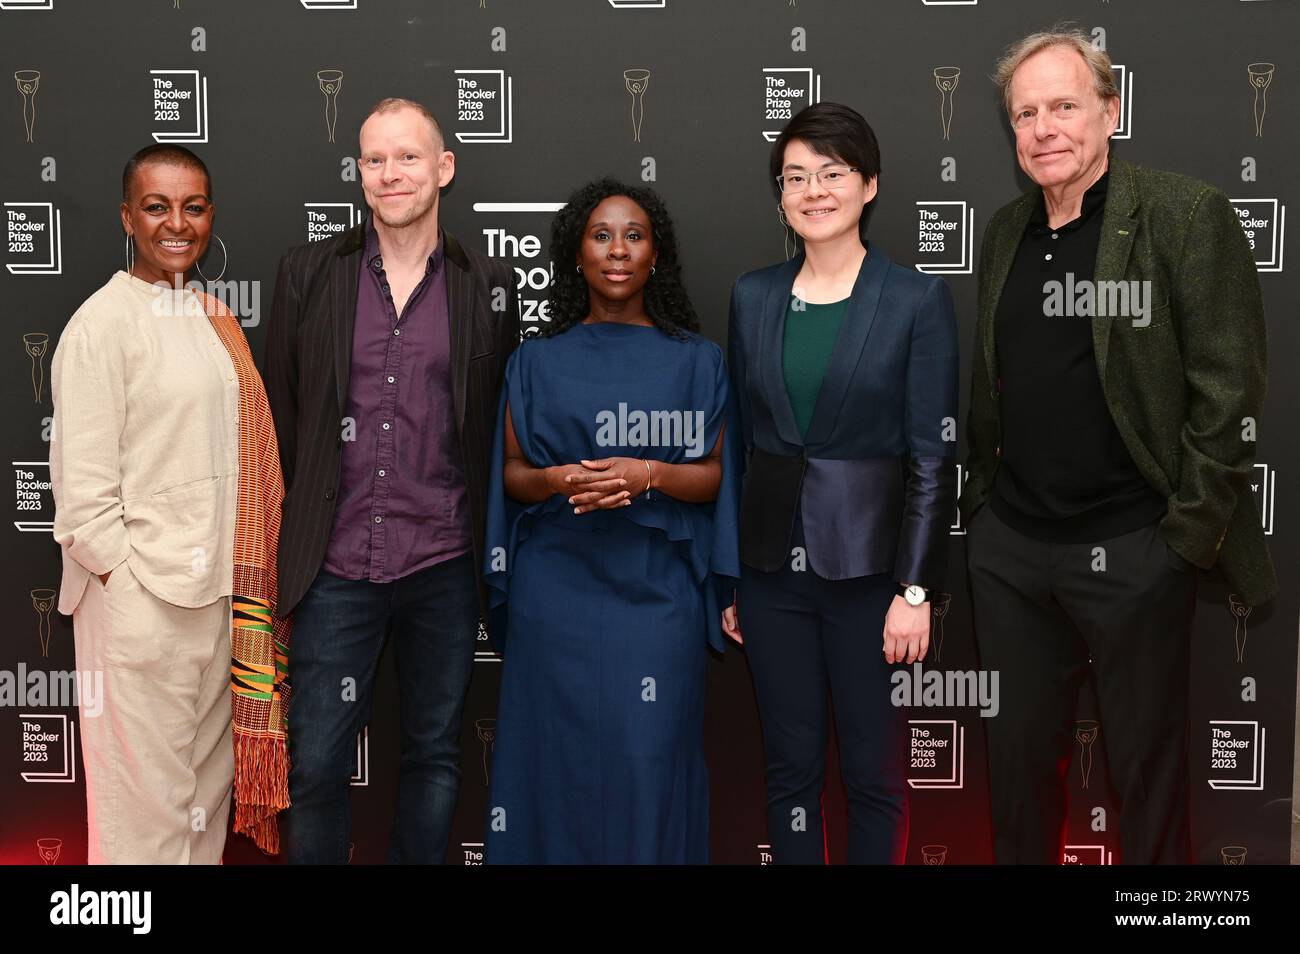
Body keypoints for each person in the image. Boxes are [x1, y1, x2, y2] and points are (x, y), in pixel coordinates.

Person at [960, 29, 1274, 864]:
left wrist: (1182, 540)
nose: (1043, 128)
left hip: (1135, 547)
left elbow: (1228, 389)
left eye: (1064, 106)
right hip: (1014, 553)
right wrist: (981, 517)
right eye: (1025, 114)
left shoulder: (1181, 215)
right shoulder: (1003, 232)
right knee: (1017, 773)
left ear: (1110, 109)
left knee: (1148, 773)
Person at [264, 98, 520, 864]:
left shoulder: (486, 284)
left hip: (443, 562)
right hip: (334, 563)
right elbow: (280, 415)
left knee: (435, 757)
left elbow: (493, 423)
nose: (389, 173)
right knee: (313, 765)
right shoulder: (309, 272)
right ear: (359, 174)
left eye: (407, 157)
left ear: (443, 168)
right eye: (374, 159)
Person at [722, 102, 959, 864]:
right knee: (789, 772)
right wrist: (729, 578)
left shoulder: (915, 299)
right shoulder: (753, 296)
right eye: (795, 177)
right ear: (780, 195)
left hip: (870, 580)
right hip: (768, 577)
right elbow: (740, 447)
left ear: (869, 185)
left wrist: (915, 591)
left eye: (832, 173)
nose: (813, 190)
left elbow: (932, 455)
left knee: (874, 775)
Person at [482, 179, 741, 864]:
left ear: (657, 255)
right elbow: (510, 472)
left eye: (634, 235)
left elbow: (715, 477)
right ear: (575, 255)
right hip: (555, 594)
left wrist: (646, 475)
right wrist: (558, 480)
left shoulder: (697, 361)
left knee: (647, 760)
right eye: (601, 235)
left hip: (656, 598)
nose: (618, 249)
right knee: (555, 770)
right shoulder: (534, 360)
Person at [50, 144, 290, 863]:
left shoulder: (213, 317)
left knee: (199, 811)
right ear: (129, 217)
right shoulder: (101, 324)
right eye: (157, 207)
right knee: (140, 815)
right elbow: (83, 495)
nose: (176, 223)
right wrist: (128, 582)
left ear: (211, 215)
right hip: (139, 606)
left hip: (219, 602)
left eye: (193, 207)